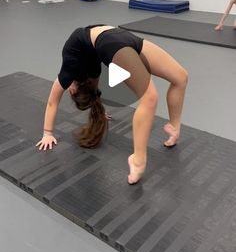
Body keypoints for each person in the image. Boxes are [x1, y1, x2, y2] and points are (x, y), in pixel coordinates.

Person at [36, 24, 188, 184]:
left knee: (180, 78)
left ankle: (174, 127)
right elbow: (55, 101)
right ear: (73, 91)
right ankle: (137, 159)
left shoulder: (71, 68)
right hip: (116, 39)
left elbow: (53, 102)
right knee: (150, 97)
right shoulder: (79, 71)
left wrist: (48, 133)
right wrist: (47, 133)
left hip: (118, 39)